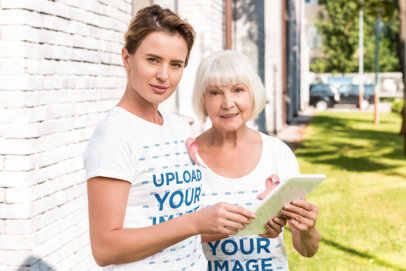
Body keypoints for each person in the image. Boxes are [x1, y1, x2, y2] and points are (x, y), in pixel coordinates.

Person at [83, 6, 256, 270]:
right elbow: (105, 249)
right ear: (127, 58)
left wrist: (251, 225)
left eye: (176, 64)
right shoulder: (114, 136)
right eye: (153, 60)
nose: (164, 75)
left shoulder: (179, 128)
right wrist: (196, 221)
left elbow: (178, 230)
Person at [191, 50, 322, 271]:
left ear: (253, 95)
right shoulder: (187, 158)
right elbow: (168, 240)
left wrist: (308, 228)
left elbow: (307, 250)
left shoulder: (279, 154)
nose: (228, 103)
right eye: (215, 93)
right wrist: (227, 228)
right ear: (203, 100)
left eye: (238, 90)